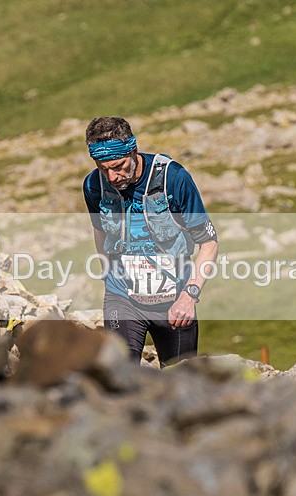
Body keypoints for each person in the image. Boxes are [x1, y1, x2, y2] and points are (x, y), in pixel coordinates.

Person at [82, 116, 218, 365]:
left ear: (133, 151)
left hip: (175, 300)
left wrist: (190, 296)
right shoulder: (93, 185)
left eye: (119, 166)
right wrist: (107, 272)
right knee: (120, 376)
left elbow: (209, 243)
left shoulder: (174, 179)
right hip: (122, 297)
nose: (112, 177)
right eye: (104, 169)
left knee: (179, 383)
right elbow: (99, 230)